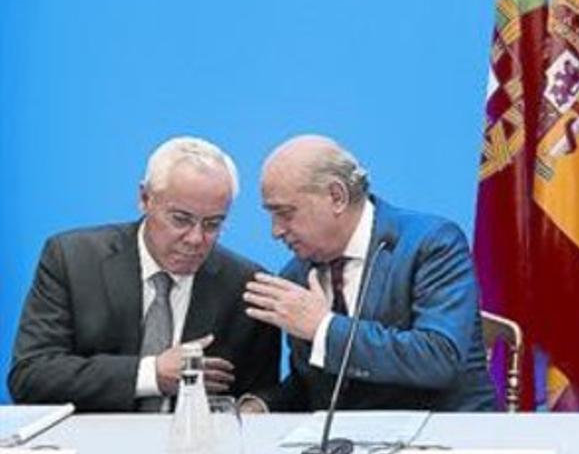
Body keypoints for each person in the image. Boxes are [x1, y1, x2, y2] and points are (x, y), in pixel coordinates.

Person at [8, 137, 280, 412]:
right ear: (145, 199)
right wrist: (151, 375)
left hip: (198, 451)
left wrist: (254, 406)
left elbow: (262, 393)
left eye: (213, 224)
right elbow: (30, 377)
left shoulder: (247, 287)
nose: (196, 239)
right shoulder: (73, 260)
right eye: (180, 219)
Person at [239, 135, 494, 412]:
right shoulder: (297, 274)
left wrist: (324, 327)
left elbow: (438, 358)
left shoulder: (431, 244)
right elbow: (316, 383)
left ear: (336, 197)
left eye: (285, 213)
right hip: (351, 445)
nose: (275, 231)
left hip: (442, 437)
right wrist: (263, 406)